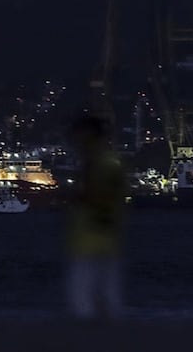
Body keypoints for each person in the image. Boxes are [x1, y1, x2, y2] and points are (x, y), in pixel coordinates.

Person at [66, 114, 127, 320]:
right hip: (106, 232)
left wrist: (77, 199)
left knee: (84, 283)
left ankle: (88, 322)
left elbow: (95, 195)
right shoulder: (111, 162)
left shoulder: (100, 163)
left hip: (92, 231)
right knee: (108, 284)